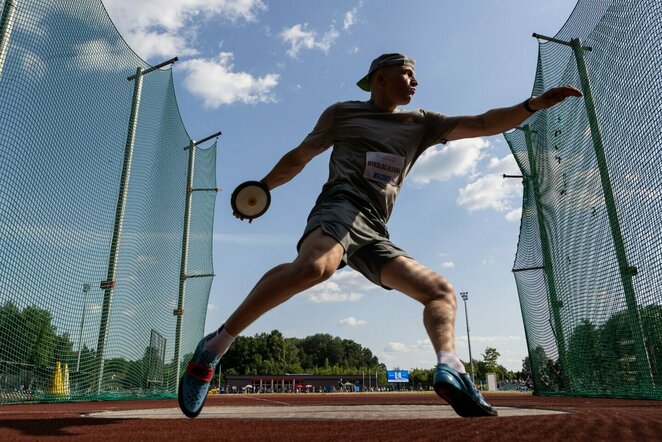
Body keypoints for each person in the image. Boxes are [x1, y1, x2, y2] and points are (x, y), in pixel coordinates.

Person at [178, 53, 582, 418]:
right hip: (340, 206)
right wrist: (263, 188)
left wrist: (532, 105)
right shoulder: (342, 113)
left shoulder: (423, 123)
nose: (414, 81)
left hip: (375, 228)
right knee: (316, 268)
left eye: (415, 75)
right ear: (378, 79)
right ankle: (214, 347)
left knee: (441, 292)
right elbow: (301, 156)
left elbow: (481, 123)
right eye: (406, 74)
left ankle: (452, 366)